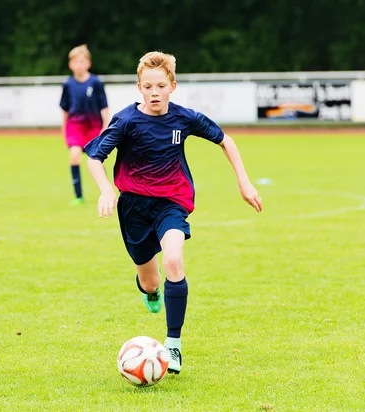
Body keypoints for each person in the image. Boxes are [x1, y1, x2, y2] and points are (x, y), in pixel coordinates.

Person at [85, 51, 262, 374]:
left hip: (172, 203)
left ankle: (173, 346)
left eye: (161, 86)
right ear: (139, 87)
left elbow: (226, 140)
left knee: (173, 260)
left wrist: (244, 181)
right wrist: (106, 189)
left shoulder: (185, 118)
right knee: (151, 282)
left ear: (172, 86)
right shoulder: (125, 121)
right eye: (148, 86)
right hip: (134, 208)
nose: (155, 92)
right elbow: (94, 157)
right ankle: (149, 292)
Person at [59, 44, 110, 206]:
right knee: (74, 156)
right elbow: (65, 111)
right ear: (70, 65)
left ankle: (106, 191)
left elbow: (105, 107)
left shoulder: (96, 83)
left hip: (93, 126)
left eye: (82, 61)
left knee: (95, 161)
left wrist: (105, 127)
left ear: (88, 63)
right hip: (75, 126)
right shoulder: (68, 85)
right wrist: (64, 130)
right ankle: (78, 196)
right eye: (76, 62)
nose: (79, 65)